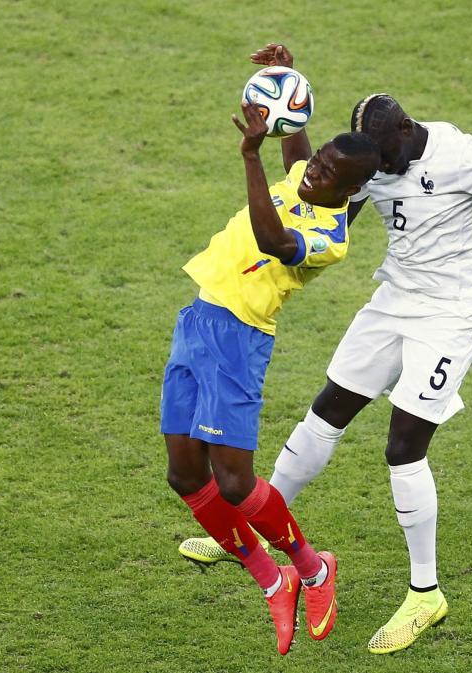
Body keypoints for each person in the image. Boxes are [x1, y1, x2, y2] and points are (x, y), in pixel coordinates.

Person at [178, 43, 472, 655]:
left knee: (402, 447)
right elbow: (315, 179)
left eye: (382, 158)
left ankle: (426, 594)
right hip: (394, 300)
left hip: (452, 313)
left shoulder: (457, 155)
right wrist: (286, 97)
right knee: (327, 411)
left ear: (404, 128)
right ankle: (258, 522)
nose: (377, 173)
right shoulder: (374, 161)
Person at [162, 88, 381, 655]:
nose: (312, 173)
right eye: (317, 160)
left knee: (234, 482)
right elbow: (296, 141)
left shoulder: (330, 239)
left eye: (328, 172)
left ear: (351, 190)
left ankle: (313, 569)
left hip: (239, 340)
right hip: (198, 321)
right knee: (185, 475)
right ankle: (272, 579)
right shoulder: (306, 176)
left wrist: (251, 156)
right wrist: (287, 74)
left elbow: (271, 239)